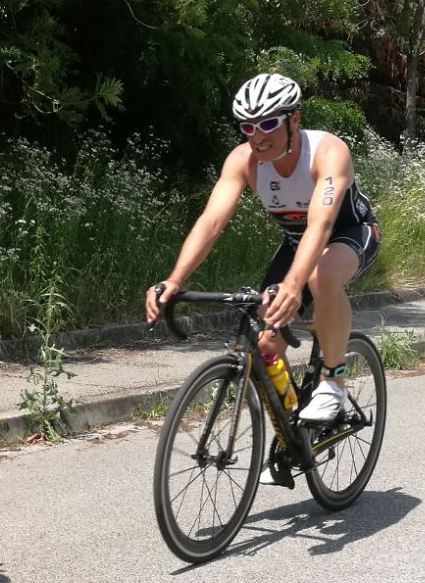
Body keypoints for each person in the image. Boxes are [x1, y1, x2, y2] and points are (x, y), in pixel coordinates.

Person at [143, 73, 380, 485]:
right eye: (248, 126)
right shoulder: (243, 161)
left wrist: (293, 285)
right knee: (267, 343)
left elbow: (321, 226)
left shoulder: (327, 152)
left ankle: (333, 382)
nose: (258, 136)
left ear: (294, 119)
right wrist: (175, 280)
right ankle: (294, 437)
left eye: (268, 124)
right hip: (295, 242)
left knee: (321, 278)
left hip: (347, 234)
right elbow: (212, 221)